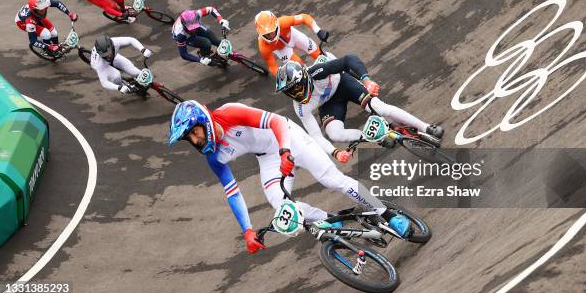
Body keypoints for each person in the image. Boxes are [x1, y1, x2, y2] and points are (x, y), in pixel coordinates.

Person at [167, 100, 412, 254]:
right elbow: (232, 192)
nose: (195, 141)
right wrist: (247, 230)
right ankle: (329, 220)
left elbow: (274, 121)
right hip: (268, 157)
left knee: (332, 180)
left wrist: (285, 150)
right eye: (189, 139)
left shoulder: (230, 113)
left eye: (194, 133)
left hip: (288, 137)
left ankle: (387, 214)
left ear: (204, 122)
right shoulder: (213, 156)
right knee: (281, 205)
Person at [276, 53, 444, 163]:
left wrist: (366, 80)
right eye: (289, 92)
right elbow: (316, 136)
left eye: (296, 87)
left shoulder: (316, 71)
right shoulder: (300, 107)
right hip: (330, 104)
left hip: (343, 84)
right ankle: (377, 136)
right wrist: (335, 153)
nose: (295, 94)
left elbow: (348, 60)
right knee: (335, 134)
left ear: (305, 78)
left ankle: (426, 127)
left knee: (381, 108)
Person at [254, 10, 329, 75]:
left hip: (293, 37)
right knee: (300, 70)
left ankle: (332, 67)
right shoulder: (263, 47)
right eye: (267, 35)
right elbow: (273, 68)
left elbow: (304, 17)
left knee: (317, 53)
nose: (271, 36)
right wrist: (282, 78)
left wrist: (318, 30)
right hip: (282, 50)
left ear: (277, 25)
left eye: (272, 32)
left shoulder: (284, 21)